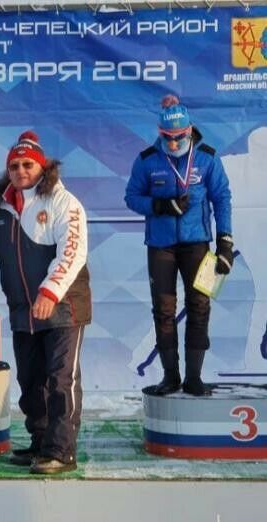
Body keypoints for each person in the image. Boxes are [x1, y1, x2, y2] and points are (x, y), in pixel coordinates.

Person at [0, 131, 91, 475]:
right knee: (31, 382)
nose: (20, 171)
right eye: (14, 166)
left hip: (63, 307)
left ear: (42, 167)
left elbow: (72, 252)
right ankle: (41, 442)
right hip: (22, 311)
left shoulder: (63, 202)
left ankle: (61, 450)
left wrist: (49, 292)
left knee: (60, 380)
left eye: (27, 165)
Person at [125, 95, 233, 397]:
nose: (173, 144)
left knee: (199, 305)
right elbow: (131, 197)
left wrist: (225, 241)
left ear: (190, 131)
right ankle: (170, 377)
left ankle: (194, 377)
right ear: (160, 133)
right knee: (164, 310)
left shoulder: (207, 158)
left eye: (179, 137)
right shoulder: (147, 160)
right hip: (161, 246)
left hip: (197, 243)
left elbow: (222, 198)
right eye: (167, 138)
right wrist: (159, 206)